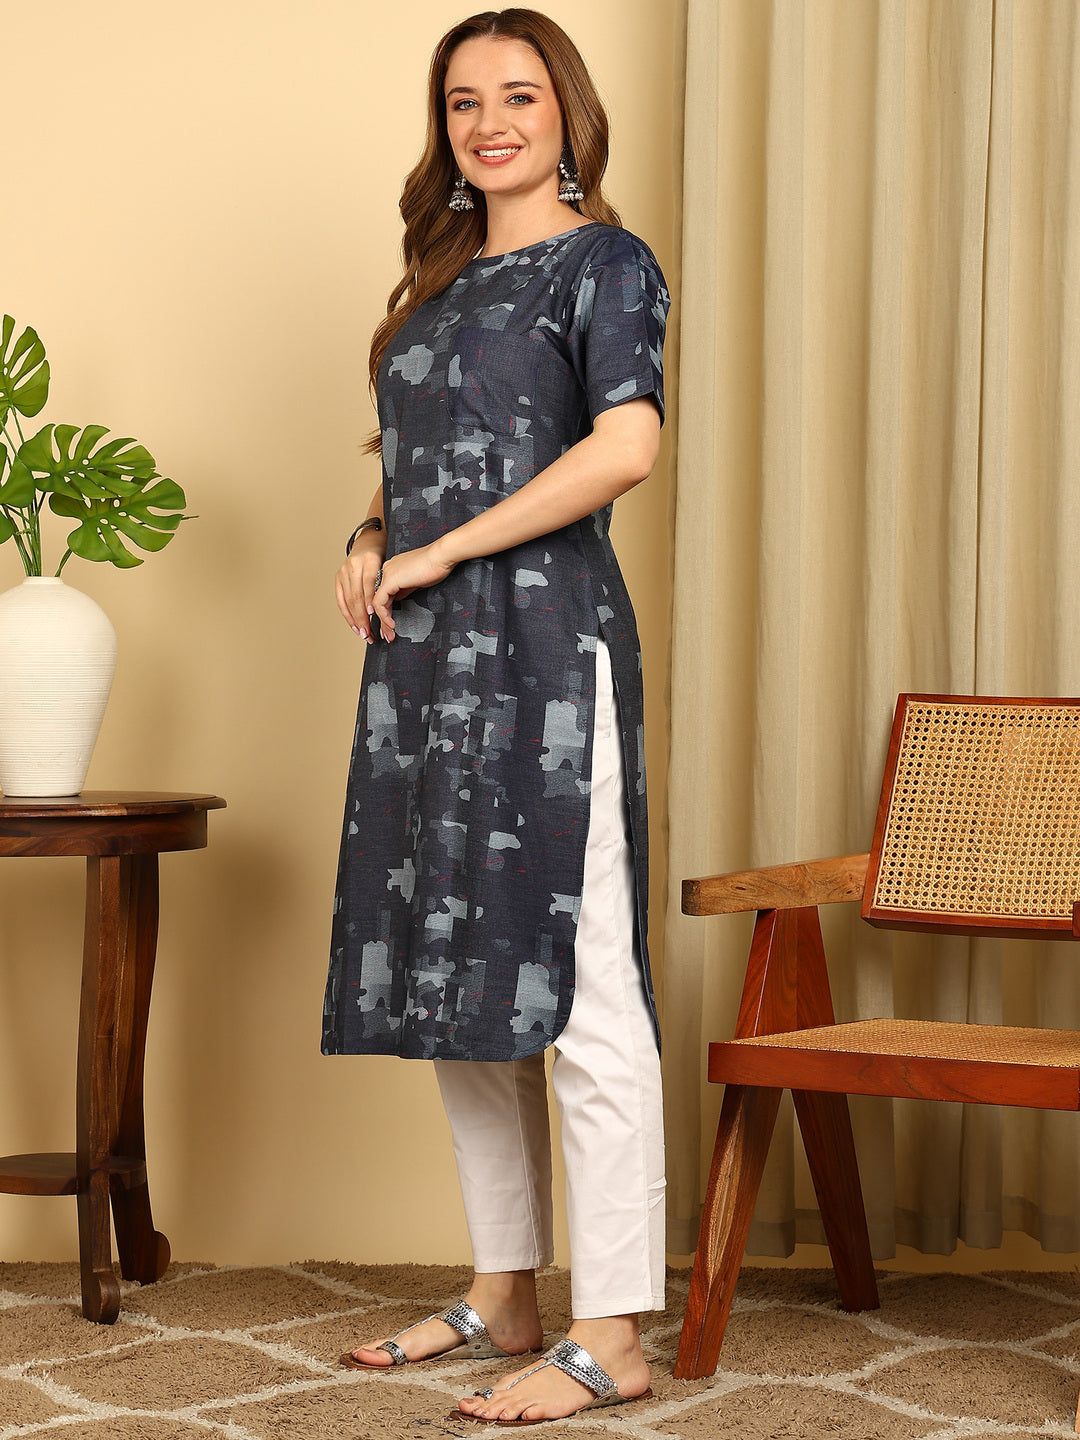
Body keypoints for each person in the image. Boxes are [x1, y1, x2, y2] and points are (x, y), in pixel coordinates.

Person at [323, 7, 670, 1425]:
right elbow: (418, 460)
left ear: (567, 113)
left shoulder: (607, 265)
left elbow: (627, 444)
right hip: (424, 661)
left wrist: (444, 549)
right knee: (460, 980)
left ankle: (614, 1330)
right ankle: (505, 1288)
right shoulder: (439, 278)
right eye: (464, 101)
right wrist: (374, 534)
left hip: (546, 651)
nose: (490, 122)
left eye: (519, 95)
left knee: (584, 985)